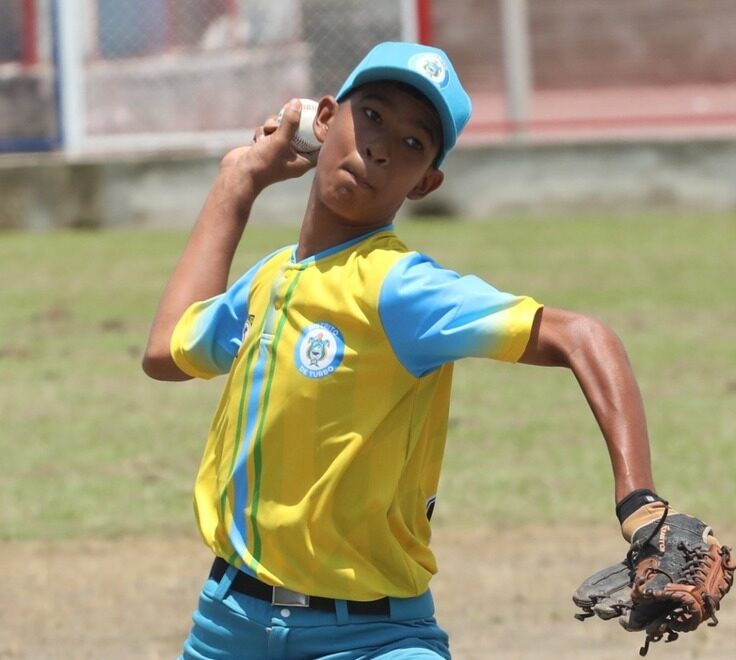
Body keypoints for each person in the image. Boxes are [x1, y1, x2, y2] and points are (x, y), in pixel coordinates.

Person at [143, 41, 658, 660]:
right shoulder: (271, 280)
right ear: (325, 120)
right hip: (227, 626)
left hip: (373, 636)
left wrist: (639, 501)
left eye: (413, 144)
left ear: (426, 183)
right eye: (373, 116)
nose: (382, 146)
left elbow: (585, 335)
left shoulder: (402, 287)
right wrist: (239, 179)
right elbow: (167, 352)